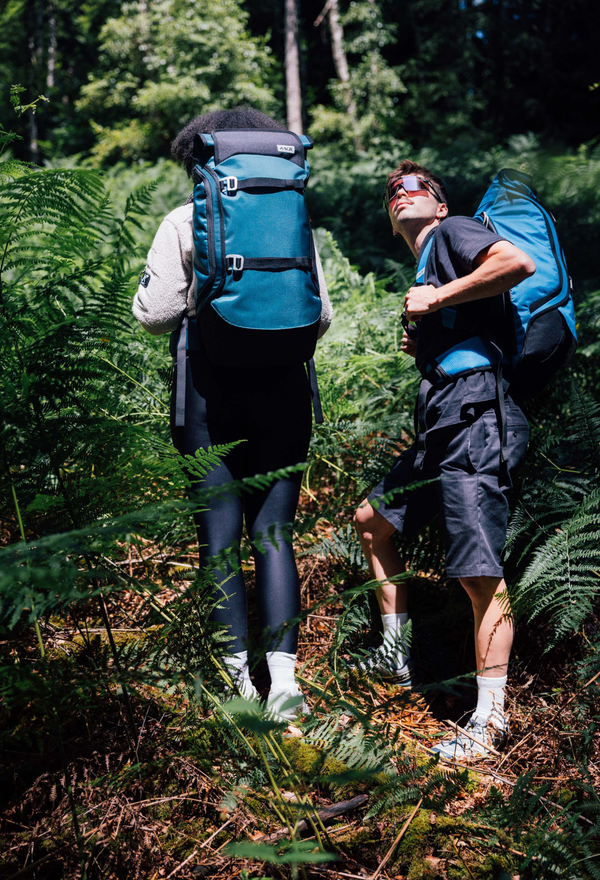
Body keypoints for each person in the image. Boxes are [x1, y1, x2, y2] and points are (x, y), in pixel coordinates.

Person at [132, 108, 332, 721]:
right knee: (275, 535)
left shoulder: (184, 217)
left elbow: (154, 312)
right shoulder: (293, 216)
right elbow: (319, 316)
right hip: (285, 391)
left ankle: (237, 686)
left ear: (199, 159)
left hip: (208, 394)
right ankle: (286, 688)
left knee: (218, 538)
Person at [354, 160, 535, 758]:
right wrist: (425, 333)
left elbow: (517, 264)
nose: (403, 194)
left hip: (477, 415)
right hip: (445, 420)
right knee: (372, 520)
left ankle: (489, 723)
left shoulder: (454, 232)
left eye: (417, 188)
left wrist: (439, 297)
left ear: (438, 204)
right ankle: (396, 658)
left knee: (478, 572)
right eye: (392, 192)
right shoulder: (428, 260)